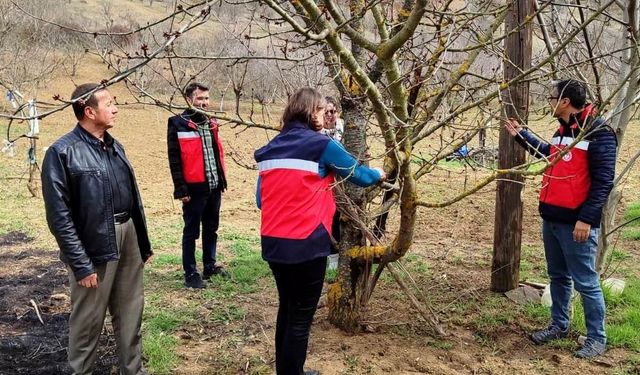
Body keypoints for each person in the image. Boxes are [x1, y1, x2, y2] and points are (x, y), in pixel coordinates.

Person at [254, 88, 385, 375]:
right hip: (306, 244)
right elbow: (359, 176)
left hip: (274, 244)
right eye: (320, 109)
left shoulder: (270, 149)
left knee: (287, 309)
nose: (324, 115)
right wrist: (379, 173)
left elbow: (261, 200)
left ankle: (287, 371)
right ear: (310, 111)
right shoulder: (321, 145)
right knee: (301, 318)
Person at [41, 83, 153, 375]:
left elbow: (134, 197)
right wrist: (81, 263)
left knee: (131, 314)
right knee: (88, 322)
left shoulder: (116, 147)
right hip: (93, 244)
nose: (115, 108)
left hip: (127, 235)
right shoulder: (62, 152)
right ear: (89, 111)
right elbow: (59, 217)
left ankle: (133, 371)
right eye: (109, 103)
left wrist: (142, 244)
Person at [504, 79, 617, 358]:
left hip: (576, 223)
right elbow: (551, 156)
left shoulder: (598, 132)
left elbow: (604, 181)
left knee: (586, 281)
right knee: (558, 276)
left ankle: (596, 339)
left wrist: (586, 219)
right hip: (552, 218)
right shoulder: (564, 130)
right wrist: (521, 136)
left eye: (552, 97)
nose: (550, 101)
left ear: (565, 101)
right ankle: (559, 325)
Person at [167, 82, 229, 289]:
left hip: (213, 186)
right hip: (193, 189)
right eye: (200, 98)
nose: (204, 102)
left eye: (206, 98)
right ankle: (191, 272)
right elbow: (174, 159)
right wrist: (181, 189)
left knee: (211, 228)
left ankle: (210, 266)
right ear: (189, 99)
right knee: (191, 231)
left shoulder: (212, 122)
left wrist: (221, 181)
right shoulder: (178, 123)